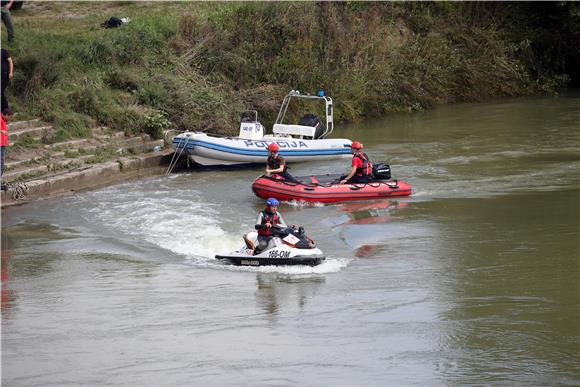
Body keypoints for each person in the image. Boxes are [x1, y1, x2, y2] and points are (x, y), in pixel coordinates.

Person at [1, 47, 13, 115]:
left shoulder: (3, 51)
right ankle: (3, 108)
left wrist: (10, 72)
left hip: (5, 75)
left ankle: (6, 108)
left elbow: (10, 62)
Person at [1, 113, 7, 190]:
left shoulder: (2, 120)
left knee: (2, 166)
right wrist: (2, 131)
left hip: (2, 144)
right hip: (0, 145)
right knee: (1, 166)